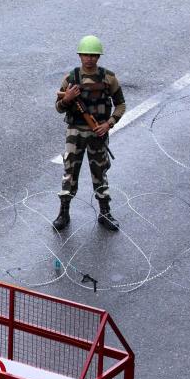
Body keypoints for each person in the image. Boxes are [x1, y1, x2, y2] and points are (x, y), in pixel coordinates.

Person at [52, 35, 125, 232]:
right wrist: (67, 98)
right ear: (80, 55)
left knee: (100, 174)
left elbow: (120, 105)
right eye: (86, 54)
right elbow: (58, 107)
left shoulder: (108, 78)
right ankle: (63, 212)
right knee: (70, 173)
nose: (90, 58)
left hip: (98, 133)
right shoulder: (71, 78)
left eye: (93, 55)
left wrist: (108, 124)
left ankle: (105, 212)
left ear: (98, 57)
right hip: (75, 132)